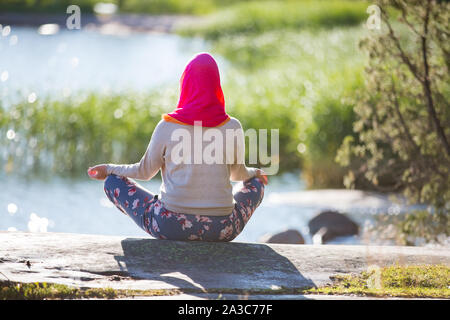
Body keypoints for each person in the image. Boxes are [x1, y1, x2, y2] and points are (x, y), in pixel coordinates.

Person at [88, 52, 267, 242]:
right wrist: (256, 173)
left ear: (186, 84)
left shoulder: (167, 126)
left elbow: (144, 172)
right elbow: (237, 175)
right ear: (216, 86)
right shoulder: (233, 126)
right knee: (257, 184)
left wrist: (108, 169)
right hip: (222, 229)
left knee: (112, 182)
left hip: (171, 226)